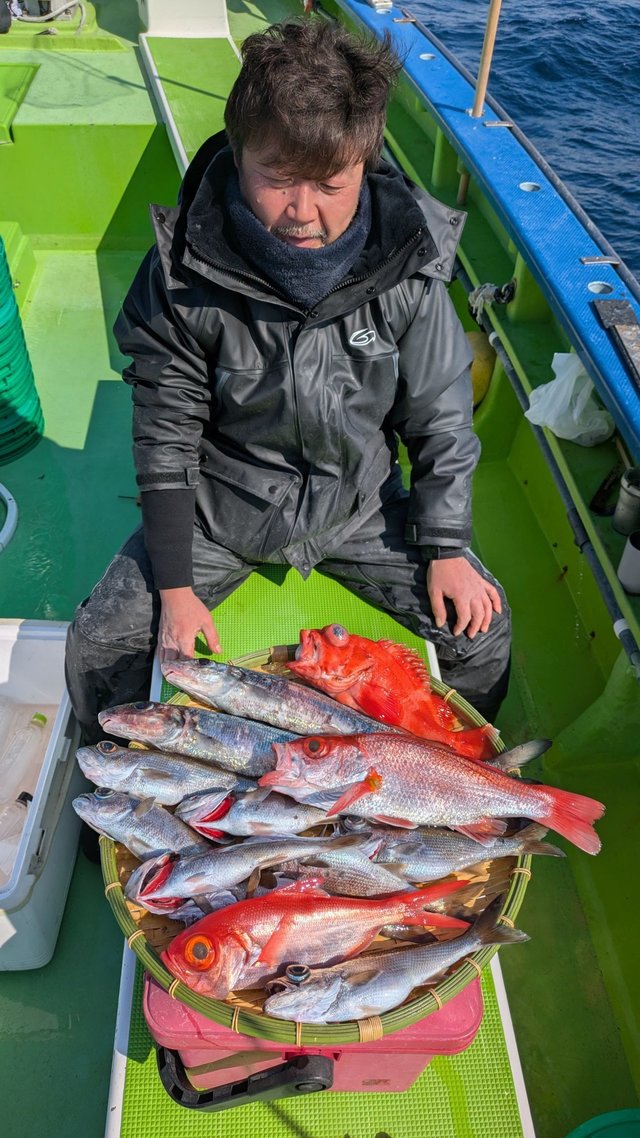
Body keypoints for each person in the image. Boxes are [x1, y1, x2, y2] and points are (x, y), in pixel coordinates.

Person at [65, 18, 511, 744]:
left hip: (359, 507)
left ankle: (458, 786)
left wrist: (448, 547)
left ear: (365, 162)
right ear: (241, 155)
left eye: (332, 185)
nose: (304, 212)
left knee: (482, 634)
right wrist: (175, 586)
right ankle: (115, 798)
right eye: (277, 180)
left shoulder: (410, 265)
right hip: (223, 513)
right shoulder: (180, 276)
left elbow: (440, 419)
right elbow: (167, 431)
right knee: (100, 642)